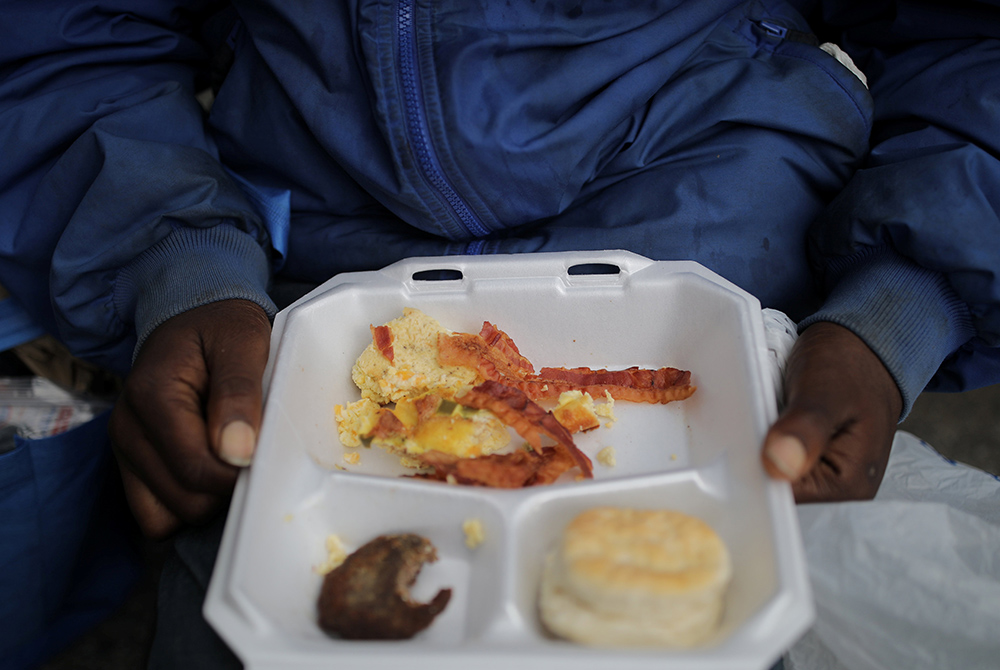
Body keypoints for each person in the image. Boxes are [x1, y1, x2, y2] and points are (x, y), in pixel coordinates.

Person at [1, 0, 998, 664]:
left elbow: (969, 40)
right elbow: (77, 36)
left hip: (732, 258)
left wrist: (893, 309)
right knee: (234, 614)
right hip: (303, 276)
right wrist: (173, 267)